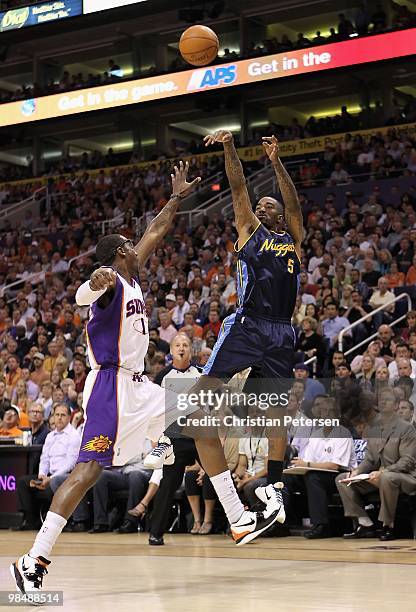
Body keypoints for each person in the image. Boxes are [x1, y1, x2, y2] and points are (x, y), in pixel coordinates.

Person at [11, 161, 275, 595]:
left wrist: (175, 198)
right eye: (130, 245)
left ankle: (236, 517)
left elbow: (156, 231)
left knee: (201, 420)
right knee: (88, 471)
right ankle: (33, 558)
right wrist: (92, 284)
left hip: (139, 386)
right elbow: (82, 295)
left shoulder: (131, 277)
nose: (139, 246)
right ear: (119, 253)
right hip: (109, 389)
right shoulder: (111, 280)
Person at [148, 132, 304, 522]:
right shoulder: (250, 232)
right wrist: (230, 146)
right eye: (261, 205)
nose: (261, 207)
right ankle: (167, 440)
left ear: (280, 216)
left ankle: (274, 482)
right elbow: (237, 187)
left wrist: (276, 161)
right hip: (249, 324)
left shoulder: (294, 240)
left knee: (277, 412)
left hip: (282, 330)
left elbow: (294, 204)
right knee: (205, 390)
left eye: (268, 205)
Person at [336, 388, 416, 541]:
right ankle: (365, 523)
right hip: (379, 476)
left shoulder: (406, 429)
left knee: (387, 477)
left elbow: (407, 461)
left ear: (396, 405)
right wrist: (358, 470)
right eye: (381, 400)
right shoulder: (373, 428)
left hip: (406, 477)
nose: (383, 402)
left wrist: (383, 472)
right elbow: (370, 459)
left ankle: (388, 525)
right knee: (342, 479)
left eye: (388, 400)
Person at [14, 404, 80, 531]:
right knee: (23, 482)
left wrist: (51, 478)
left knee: (55, 482)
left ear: (68, 417)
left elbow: (70, 463)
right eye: (57, 415)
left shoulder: (74, 436)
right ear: (53, 417)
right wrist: (41, 475)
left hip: (65, 476)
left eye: (63, 415)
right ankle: (30, 520)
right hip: (49, 476)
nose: (59, 418)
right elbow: (44, 459)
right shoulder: (50, 436)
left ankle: (62, 522)